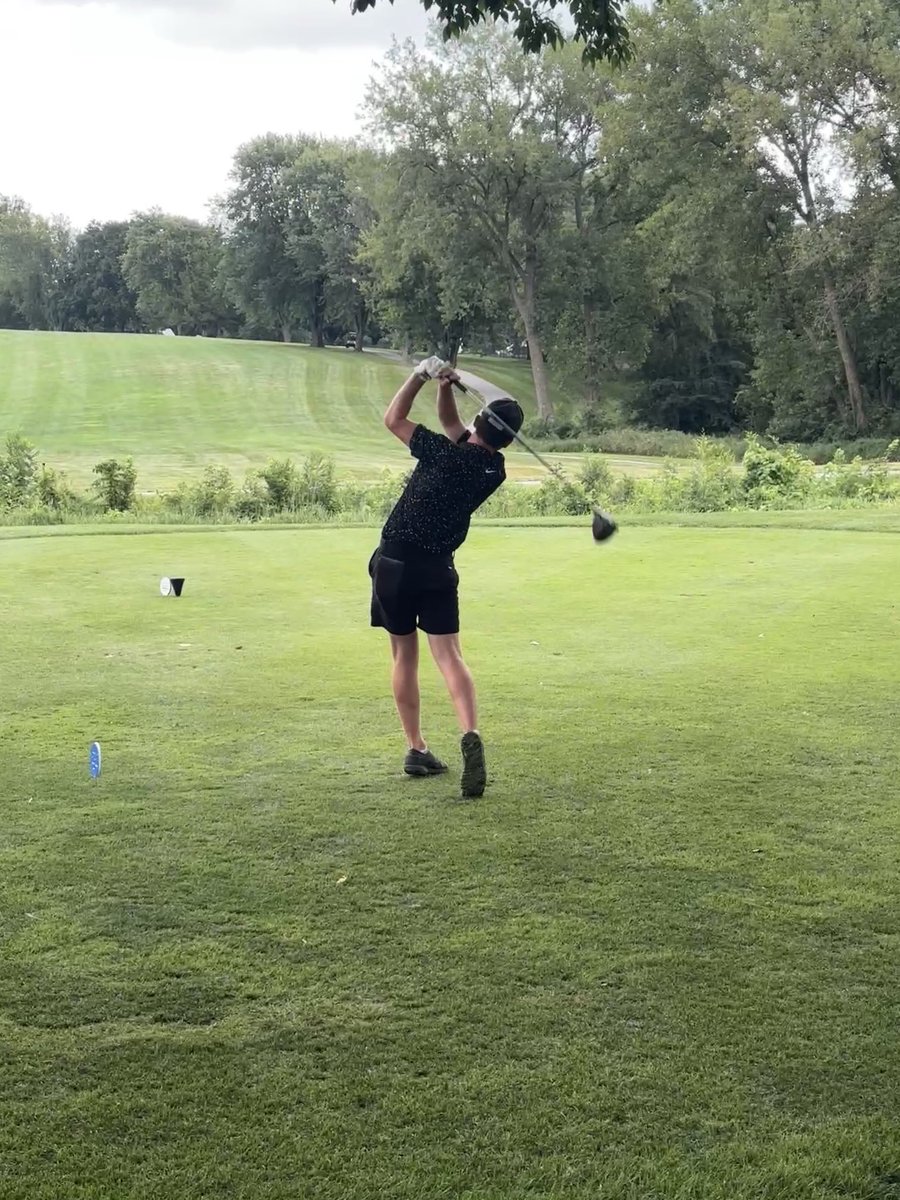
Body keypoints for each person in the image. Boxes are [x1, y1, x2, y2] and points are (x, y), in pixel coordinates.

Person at [368, 356, 524, 798]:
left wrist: (420, 375)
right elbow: (456, 427)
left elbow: (393, 418)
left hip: (395, 562)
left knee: (404, 656)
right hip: (438, 567)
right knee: (450, 656)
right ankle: (470, 733)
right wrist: (444, 388)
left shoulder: (440, 451)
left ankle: (416, 748)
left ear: (480, 422)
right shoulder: (493, 469)